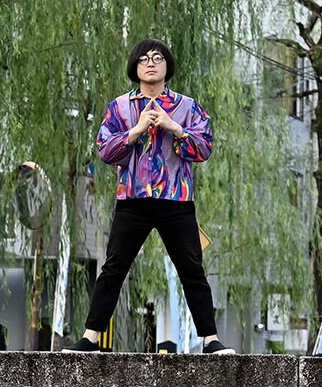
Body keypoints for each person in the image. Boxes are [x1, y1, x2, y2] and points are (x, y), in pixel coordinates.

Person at [65, 38, 235, 354]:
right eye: (144, 59)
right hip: (133, 200)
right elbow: (105, 151)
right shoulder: (119, 107)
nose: (151, 63)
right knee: (114, 267)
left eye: (158, 58)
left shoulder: (187, 107)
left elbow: (204, 148)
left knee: (192, 269)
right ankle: (90, 337)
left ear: (167, 66)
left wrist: (175, 128)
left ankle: (210, 340)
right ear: (135, 68)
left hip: (176, 201)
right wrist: (136, 130)